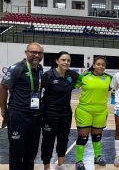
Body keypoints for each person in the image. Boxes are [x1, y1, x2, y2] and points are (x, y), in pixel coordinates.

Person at [0, 42, 44, 170]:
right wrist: (4, 111)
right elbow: (3, 88)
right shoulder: (17, 68)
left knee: (32, 150)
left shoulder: (40, 69)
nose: (36, 55)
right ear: (26, 53)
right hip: (18, 115)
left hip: (35, 116)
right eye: (33, 52)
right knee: (17, 151)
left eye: (39, 53)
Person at [41, 51, 79, 170]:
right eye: (63, 60)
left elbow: (88, 77)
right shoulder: (48, 75)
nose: (66, 62)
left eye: (68, 60)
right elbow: (37, 92)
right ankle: (46, 167)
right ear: (57, 61)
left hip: (66, 114)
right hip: (50, 114)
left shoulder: (72, 75)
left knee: (63, 140)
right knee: (48, 141)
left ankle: (61, 165)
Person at [74, 56, 112, 170]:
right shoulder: (84, 76)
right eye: (98, 64)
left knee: (97, 136)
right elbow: (74, 86)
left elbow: (110, 89)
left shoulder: (109, 78)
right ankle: (79, 160)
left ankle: (97, 156)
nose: (101, 66)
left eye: (103, 65)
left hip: (100, 112)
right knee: (83, 137)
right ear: (94, 65)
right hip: (84, 111)